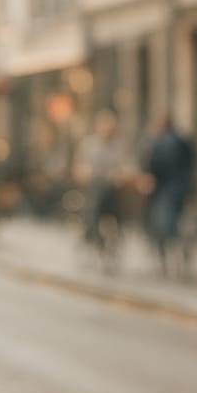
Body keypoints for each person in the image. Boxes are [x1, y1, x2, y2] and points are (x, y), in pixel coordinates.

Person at [73, 109, 128, 271]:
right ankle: (92, 236)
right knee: (94, 207)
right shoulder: (89, 145)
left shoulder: (119, 146)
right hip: (95, 187)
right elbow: (79, 166)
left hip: (113, 189)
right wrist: (86, 172)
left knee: (116, 214)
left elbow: (125, 165)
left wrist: (120, 174)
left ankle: (114, 241)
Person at [143, 114, 196, 275]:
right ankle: (179, 257)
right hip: (181, 190)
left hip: (163, 191)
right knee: (179, 225)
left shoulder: (157, 143)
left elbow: (152, 166)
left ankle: (164, 260)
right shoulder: (183, 142)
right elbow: (191, 165)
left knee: (162, 227)